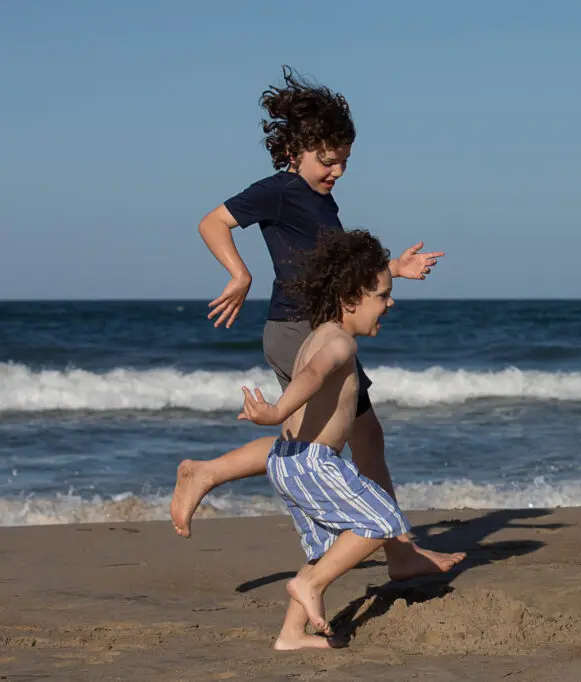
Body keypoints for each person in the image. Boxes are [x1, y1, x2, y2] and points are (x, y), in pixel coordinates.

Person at [170, 66, 464, 580]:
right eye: (329, 161)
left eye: (345, 161)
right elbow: (211, 221)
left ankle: (395, 552)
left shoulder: (321, 200)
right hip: (298, 331)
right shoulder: (278, 191)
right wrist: (240, 274)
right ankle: (397, 553)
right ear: (295, 151)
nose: (338, 171)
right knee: (328, 444)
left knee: (332, 442)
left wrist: (393, 269)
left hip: (320, 328)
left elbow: (331, 271)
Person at [239, 228, 411, 650]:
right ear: (351, 298)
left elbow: (310, 373)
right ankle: (310, 585)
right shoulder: (339, 343)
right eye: (382, 295)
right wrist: (277, 411)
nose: (390, 304)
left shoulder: (318, 333)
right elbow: (313, 377)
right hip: (314, 460)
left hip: (289, 458)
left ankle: (291, 634)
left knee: (327, 545)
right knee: (383, 520)